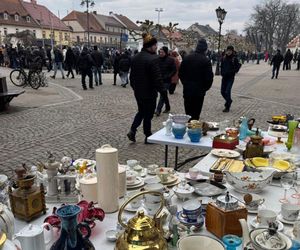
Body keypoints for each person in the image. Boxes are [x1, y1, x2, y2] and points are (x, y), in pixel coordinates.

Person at [127, 33, 163, 144]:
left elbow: (131, 77)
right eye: (155, 45)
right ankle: (148, 136)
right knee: (148, 114)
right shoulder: (153, 59)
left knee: (141, 111)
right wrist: (162, 91)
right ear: (150, 46)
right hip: (149, 92)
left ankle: (133, 130)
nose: (156, 47)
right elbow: (157, 78)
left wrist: (135, 88)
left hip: (138, 92)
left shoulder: (135, 57)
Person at [179, 39, 214, 120]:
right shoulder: (206, 60)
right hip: (199, 92)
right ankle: (193, 129)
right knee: (196, 114)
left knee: (188, 113)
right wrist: (205, 88)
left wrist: (185, 83)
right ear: (205, 49)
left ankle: (188, 128)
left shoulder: (187, 58)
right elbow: (209, 78)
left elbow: (181, 73)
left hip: (188, 90)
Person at [155, 46, 176, 116]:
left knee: (162, 95)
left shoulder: (171, 60)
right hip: (158, 80)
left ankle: (158, 110)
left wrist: (168, 76)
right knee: (164, 94)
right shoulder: (157, 59)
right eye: (160, 52)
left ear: (166, 52)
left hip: (167, 81)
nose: (160, 53)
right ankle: (168, 106)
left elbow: (174, 70)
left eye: (162, 52)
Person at [220, 45, 241, 112]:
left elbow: (237, 68)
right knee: (222, 92)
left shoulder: (234, 59)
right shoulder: (223, 58)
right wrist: (222, 72)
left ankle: (227, 107)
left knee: (227, 91)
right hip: (224, 77)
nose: (228, 52)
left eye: (230, 51)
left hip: (230, 78)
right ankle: (229, 100)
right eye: (228, 50)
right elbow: (222, 66)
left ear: (232, 51)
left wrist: (232, 72)